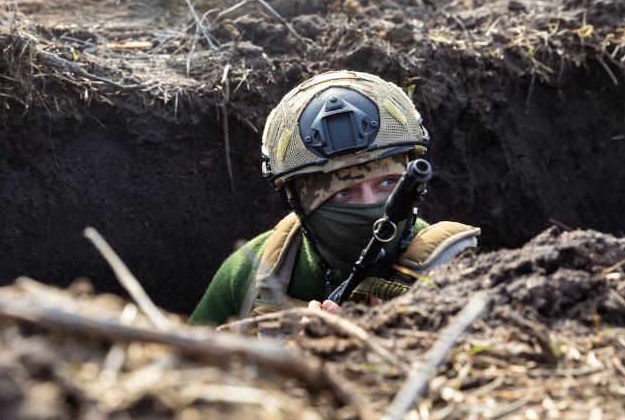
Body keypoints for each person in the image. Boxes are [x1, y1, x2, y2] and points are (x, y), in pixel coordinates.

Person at [189, 71, 480, 326]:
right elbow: (178, 374)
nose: (371, 207)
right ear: (299, 202)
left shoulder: (447, 269)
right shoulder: (250, 273)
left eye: (388, 183)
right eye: (344, 192)